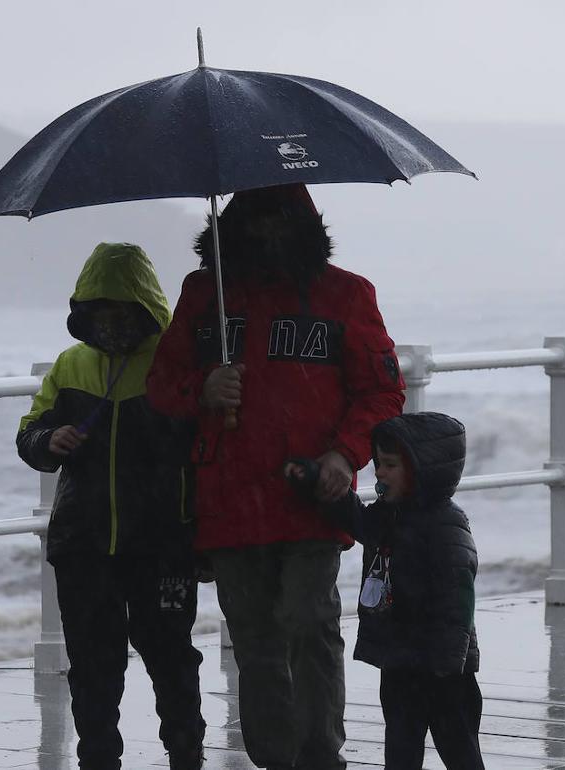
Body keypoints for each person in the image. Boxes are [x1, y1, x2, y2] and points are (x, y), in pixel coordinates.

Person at [145, 184, 406, 769]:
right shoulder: (202, 294)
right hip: (229, 498)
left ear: (304, 227)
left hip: (312, 491)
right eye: (254, 222)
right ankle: (273, 757)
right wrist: (202, 389)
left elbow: (383, 390)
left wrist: (344, 455)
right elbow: (162, 385)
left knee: (308, 620)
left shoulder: (346, 295)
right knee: (255, 635)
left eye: (278, 221)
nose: (266, 234)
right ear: (232, 226)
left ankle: (320, 757)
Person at [17, 242, 205, 770]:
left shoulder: (175, 362)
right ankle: (98, 756)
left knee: (170, 656)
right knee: (93, 665)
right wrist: (48, 441)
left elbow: (206, 442)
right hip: (85, 543)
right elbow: (29, 432)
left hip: (163, 543)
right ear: (84, 313)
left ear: (145, 307)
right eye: (101, 312)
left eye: (123, 310)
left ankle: (185, 750)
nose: (112, 323)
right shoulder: (71, 364)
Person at [285, 411, 484, 769]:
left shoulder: (445, 525)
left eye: (390, 465)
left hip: (444, 671)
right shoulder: (388, 515)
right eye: (378, 463)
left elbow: (459, 598)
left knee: (459, 747)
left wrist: (448, 660)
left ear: (422, 470)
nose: (379, 472)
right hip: (400, 660)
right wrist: (317, 482)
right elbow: (356, 520)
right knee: (401, 746)